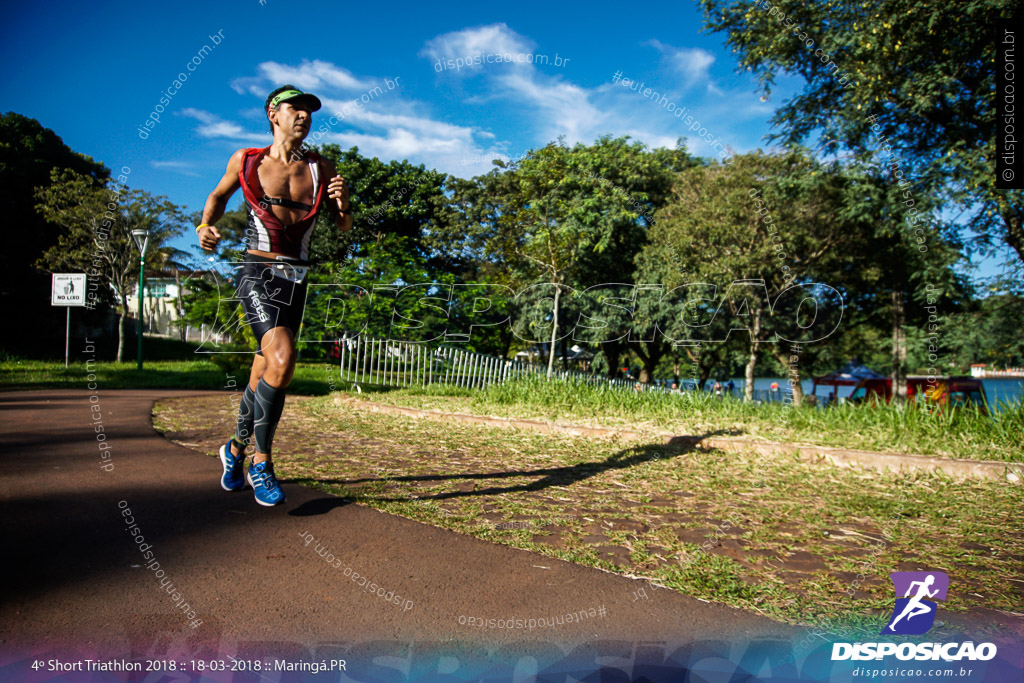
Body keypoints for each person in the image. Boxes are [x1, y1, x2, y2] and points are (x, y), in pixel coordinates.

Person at [197, 85, 353, 506]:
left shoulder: (321, 167)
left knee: (264, 373)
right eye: (295, 108)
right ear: (273, 114)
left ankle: (233, 448)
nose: (303, 116)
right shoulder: (247, 160)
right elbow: (216, 196)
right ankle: (261, 464)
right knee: (283, 362)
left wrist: (342, 204)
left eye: (309, 111)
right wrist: (204, 226)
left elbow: (343, 227)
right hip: (257, 271)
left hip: (298, 279)